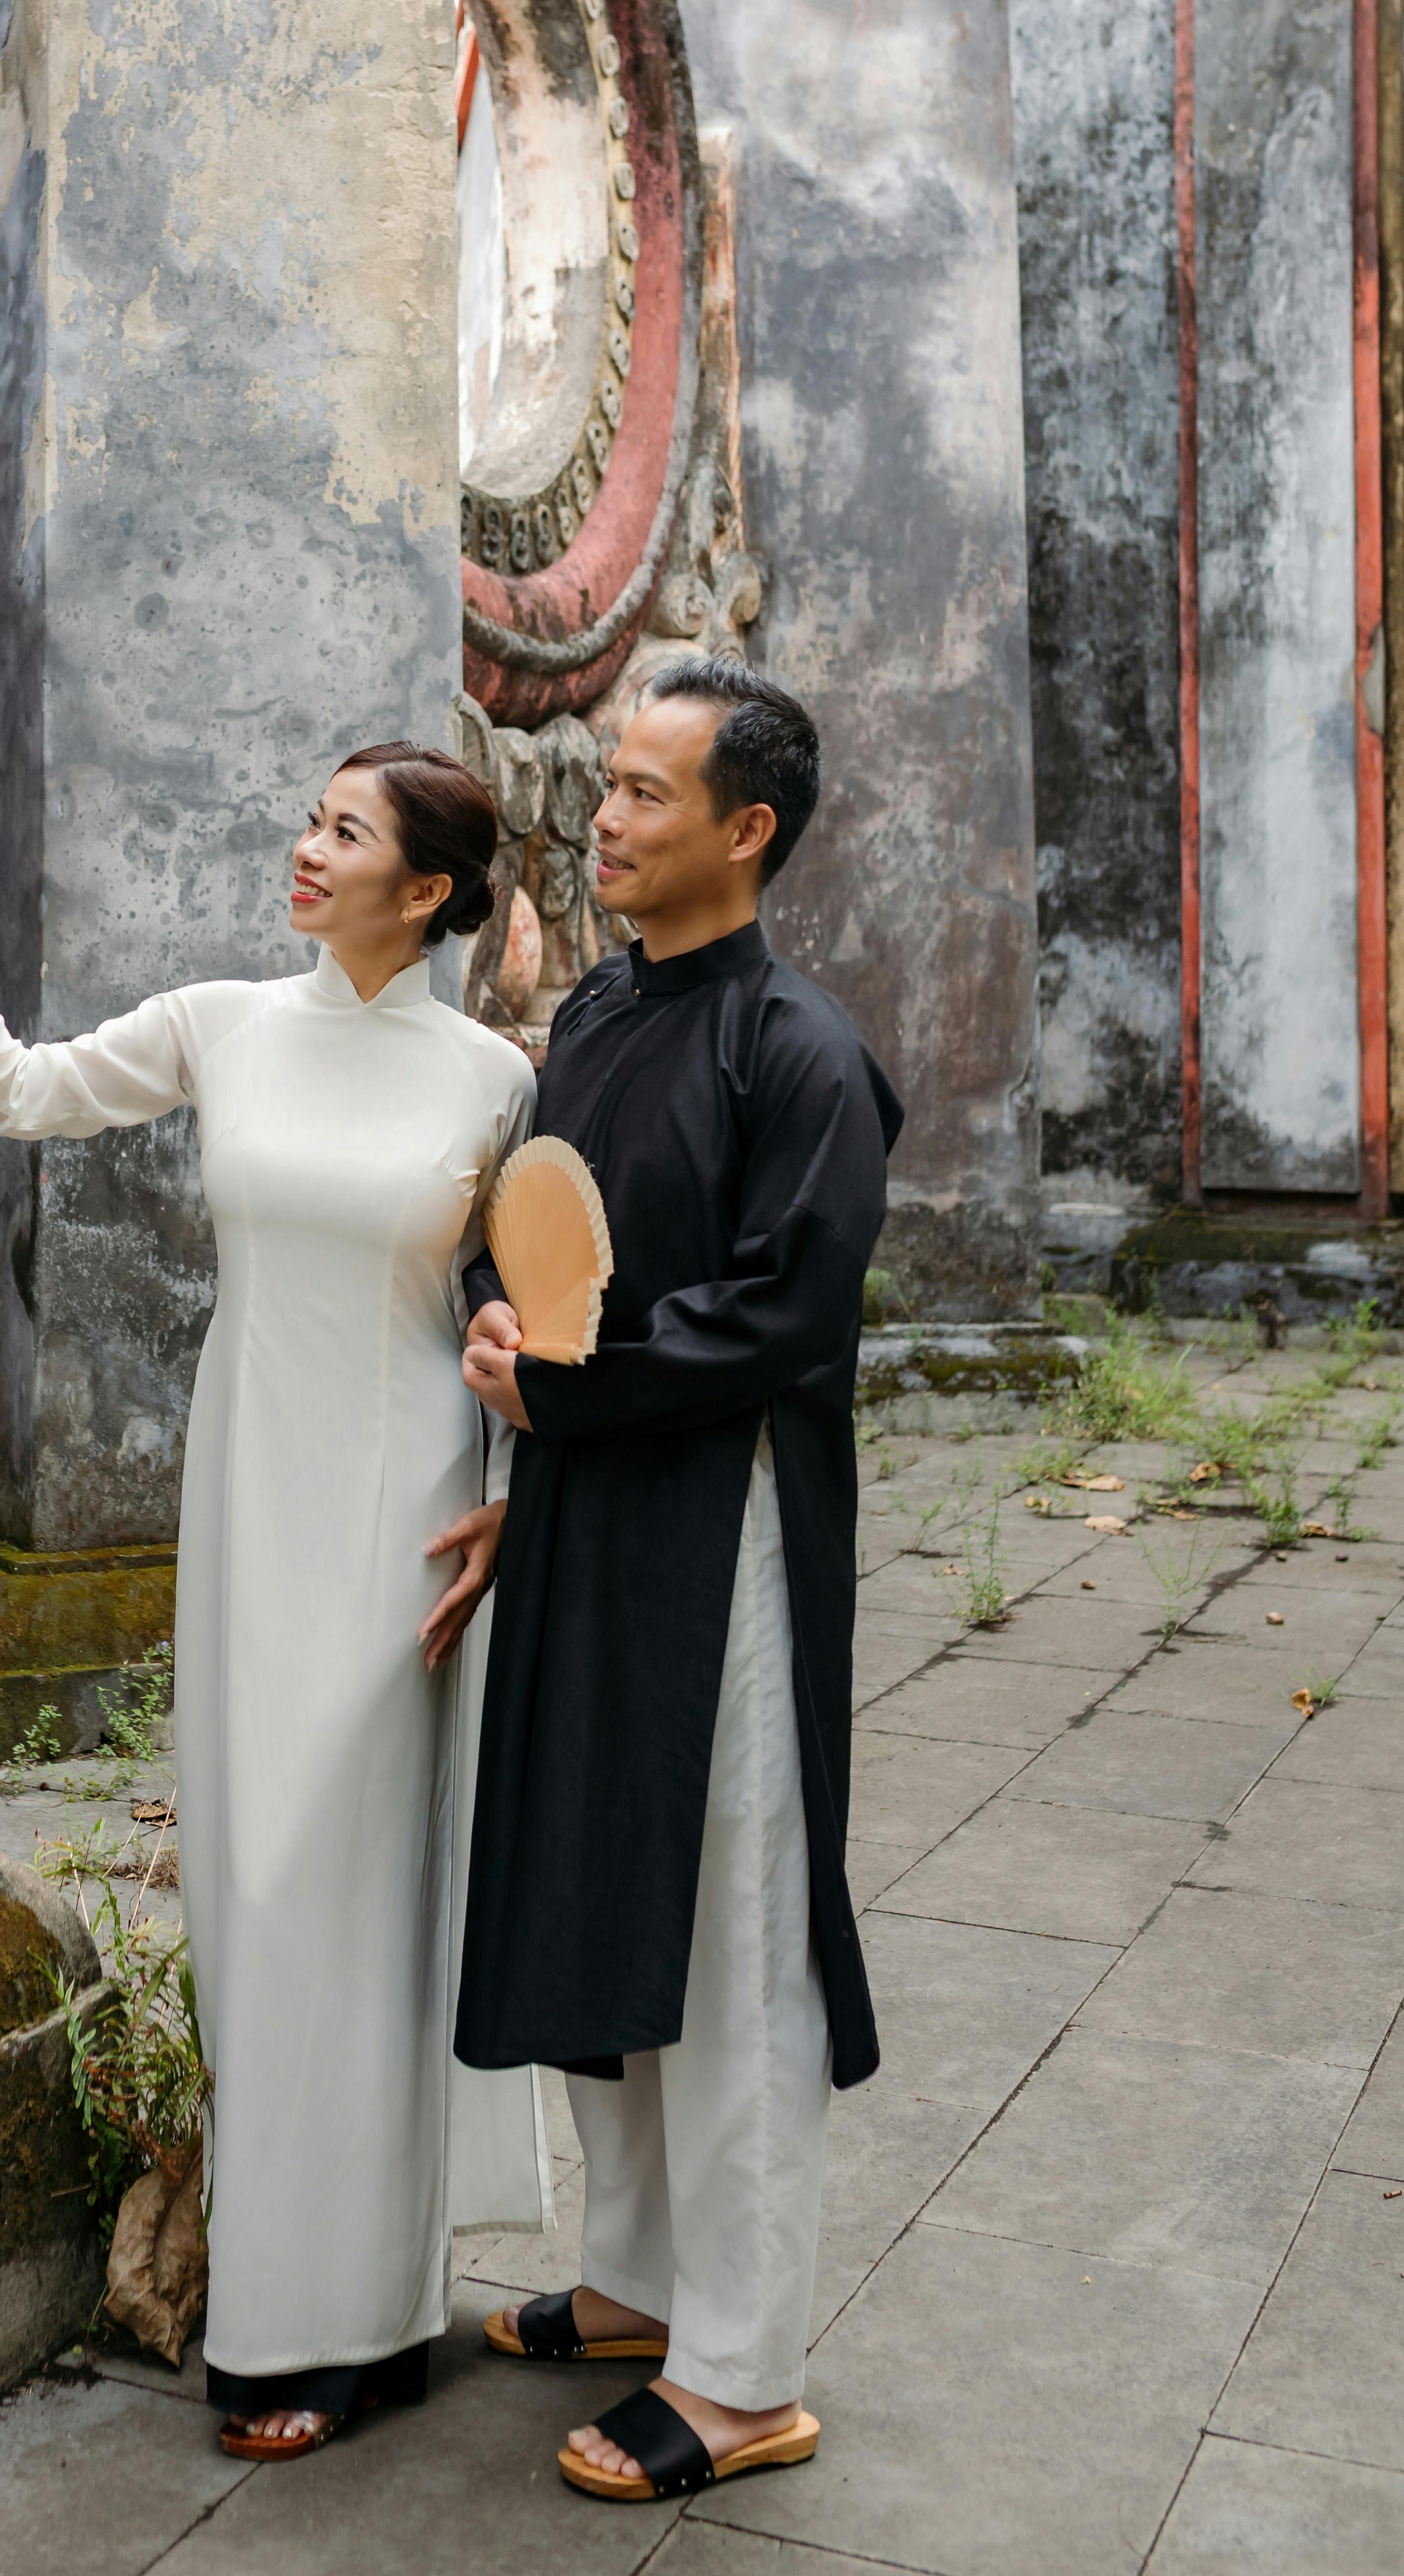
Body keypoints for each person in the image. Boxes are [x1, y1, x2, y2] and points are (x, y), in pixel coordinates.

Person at [0, 742, 539, 2459]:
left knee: (356, 1889)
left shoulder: (492, 1079)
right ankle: (340, 2304)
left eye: (344, 833)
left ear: (426, 891)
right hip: (250, 1492)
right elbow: (17, 1090)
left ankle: (320, 2324)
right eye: (309, 820)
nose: (303, 849)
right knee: (258, 1899)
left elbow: (527, 1320)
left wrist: (511, 1502)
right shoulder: (225, 1020)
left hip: (409, 1504)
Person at [455, 653, 902, 2509]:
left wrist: (569, 1378)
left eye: (646, 792)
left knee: (732, 1922)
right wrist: (513, 1408)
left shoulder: (801, 1053)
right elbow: (553, 1241)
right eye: (610, 783)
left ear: (748, 830)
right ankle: (637, 2277)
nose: (608, 816)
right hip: (582, 1503)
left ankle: (740, 2371)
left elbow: (781, 1312)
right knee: (593, 1873)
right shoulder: (602, 1015)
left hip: (722, 1521)